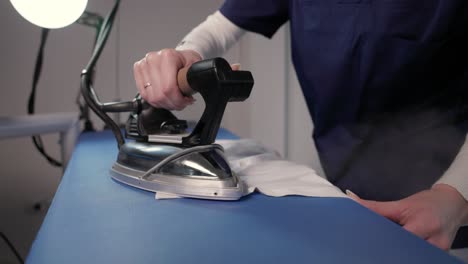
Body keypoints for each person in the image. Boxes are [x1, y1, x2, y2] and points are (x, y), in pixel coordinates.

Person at [133, 1, 468, 250]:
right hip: (347, 198)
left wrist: (454, 195)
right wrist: (186, 56)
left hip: (450, 214)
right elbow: (220, 28)